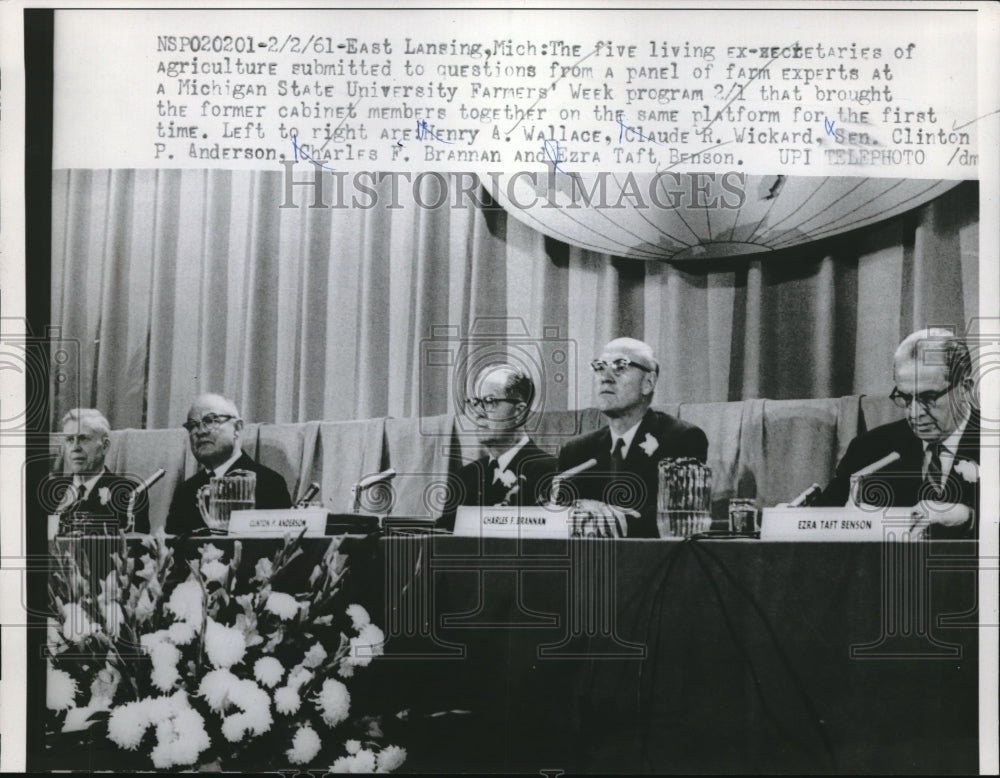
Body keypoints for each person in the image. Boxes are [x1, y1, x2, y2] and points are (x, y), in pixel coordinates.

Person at [815, 328, 980, 539]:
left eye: (928, 397)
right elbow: (820, 521)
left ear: (965, 389)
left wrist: (969, 517)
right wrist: (785, 520)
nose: (915, 413)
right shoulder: (870, 448)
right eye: (905, 398)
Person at [556, 338, 709, 537]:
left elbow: (678, 517)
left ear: (648, 383)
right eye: (599, 367)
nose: (605, 377)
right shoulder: (576, 451)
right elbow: (557, 514)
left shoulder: (682, 439)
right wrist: (580, 507)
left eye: (620, 366)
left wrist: (607, 517)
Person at [441, 365, 557, 531]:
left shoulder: (550, 472)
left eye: (490, 401)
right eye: (475, 402)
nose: (477, 413)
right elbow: (441, 540)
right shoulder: (465, 477)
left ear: (519, 413)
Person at [165, 393, 291, 534]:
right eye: (193, 425)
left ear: (237, 428)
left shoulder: (268, 483)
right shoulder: (185, 491)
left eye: (211, 421)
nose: (200, 431)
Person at [48, 408, 150, 533]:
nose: (75, 448)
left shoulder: (129, 493)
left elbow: (136, 548)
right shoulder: (50, 489)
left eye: (83, 439)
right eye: (70, 440)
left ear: (105, 447)